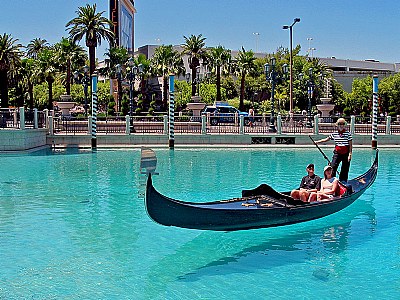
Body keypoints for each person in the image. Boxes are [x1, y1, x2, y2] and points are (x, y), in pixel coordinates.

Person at [314, 117, 353, 182]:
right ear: (338, 125)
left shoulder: (348, 134)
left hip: (346, 153)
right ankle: (332, 180)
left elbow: (350, 145)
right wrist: (317, 142)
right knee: (333, 166)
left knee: (345, 168)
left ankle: (343, 181)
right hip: (337, 153)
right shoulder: (334, 134)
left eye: (342, 124)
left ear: (344, 125)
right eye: (340, 124)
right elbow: (326, 139)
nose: (341, 125)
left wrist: (350, 154)